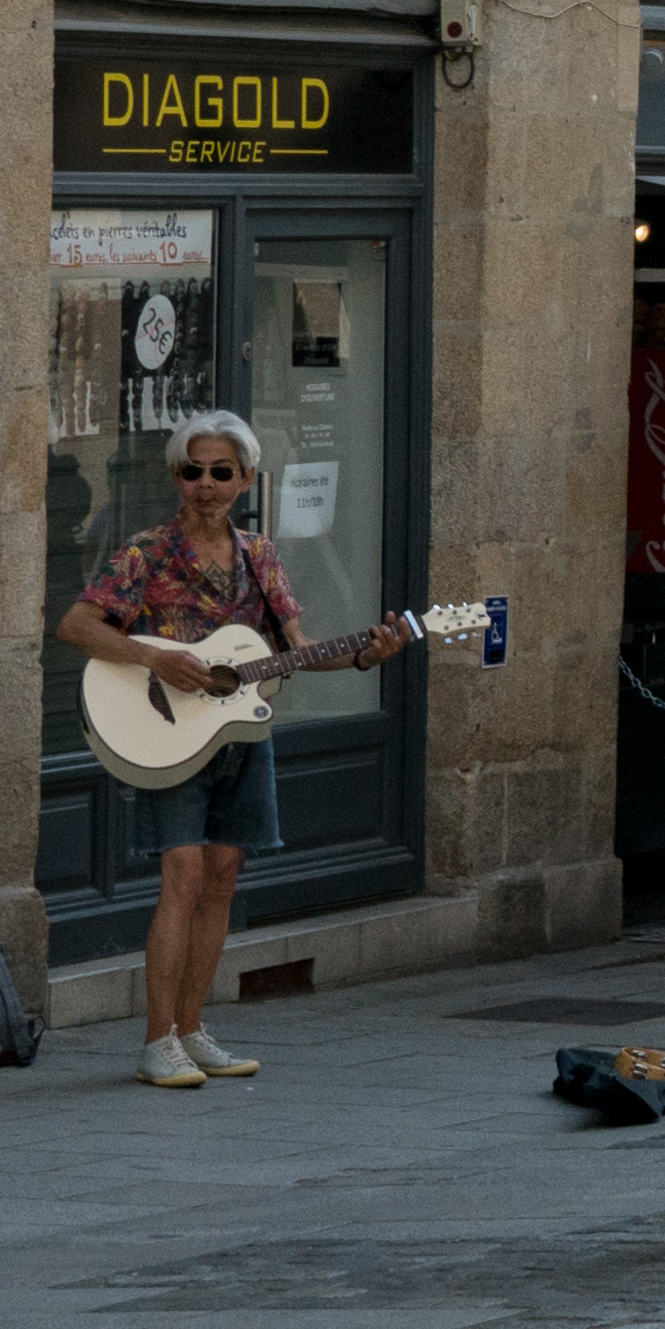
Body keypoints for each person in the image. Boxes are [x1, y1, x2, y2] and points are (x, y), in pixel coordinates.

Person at [58, 411, 412, 1093]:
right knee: (182, 874)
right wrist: (154, 656)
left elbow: (294, 650)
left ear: (246, 479)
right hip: (164, 731)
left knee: (221, 874)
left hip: (239, 730)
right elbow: (77, 625)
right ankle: (157, 1038)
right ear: (175, 476)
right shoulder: (146, 551)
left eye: (222, 471)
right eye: (193, 470)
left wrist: (367, 654)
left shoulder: (261, 555)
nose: (206, 484)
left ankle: (192, 1029)